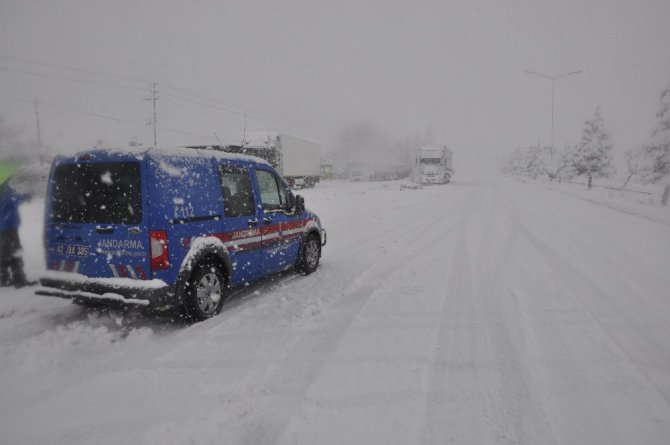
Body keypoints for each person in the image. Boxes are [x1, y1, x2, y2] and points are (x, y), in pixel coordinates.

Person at [0, 180, 34, 288]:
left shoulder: (4, 186)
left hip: (7, 226)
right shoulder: (2, 186)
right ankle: (17, 278)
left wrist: (15, 194)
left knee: (8, 252)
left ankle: (7, 278)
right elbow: (8, 201)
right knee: (12, 252)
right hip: (7, 227)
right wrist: (23, 197)